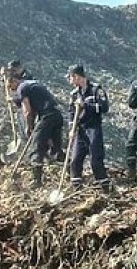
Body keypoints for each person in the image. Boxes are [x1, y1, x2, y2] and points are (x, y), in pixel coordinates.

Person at [7, 72, 64, 188]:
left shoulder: (21, 87)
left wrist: (29, 126)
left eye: (10, 86)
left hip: (47, 116)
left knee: (36, 146)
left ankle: (36, 180)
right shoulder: (32, 84)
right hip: (57, 115)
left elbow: (27, 111)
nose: (11, 90)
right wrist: (13, 100)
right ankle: (71, 171)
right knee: (55, 147)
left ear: (14, 80)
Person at [67, 64, 112, 193]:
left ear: (76, 76)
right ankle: (77, 190)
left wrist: (86, 105)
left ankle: (105, 189)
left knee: (95, 160)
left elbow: (104, 108)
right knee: (75, 160)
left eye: (70, 77)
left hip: (93, 129)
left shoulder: (96, 90)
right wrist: (71, 129)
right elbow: (71, 113)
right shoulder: (74, 94)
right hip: (80, 130)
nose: (70, 80)